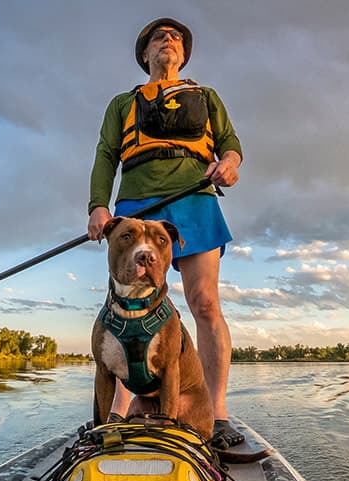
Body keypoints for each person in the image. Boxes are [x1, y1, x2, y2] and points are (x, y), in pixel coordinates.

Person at [87, 17, 244, 449]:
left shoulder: (207, 96)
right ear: (145, 54)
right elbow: (106, 155)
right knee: (125, 308)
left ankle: (218, 413)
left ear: (184, 54)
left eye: (176, 37)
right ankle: (115, 416)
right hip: (138, 203)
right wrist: (98, 205)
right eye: (159, 37)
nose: (168, 41)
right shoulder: (123, 103)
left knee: (204, 302)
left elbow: (230, 145)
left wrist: (229, 162)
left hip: (194, 200)